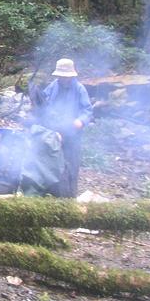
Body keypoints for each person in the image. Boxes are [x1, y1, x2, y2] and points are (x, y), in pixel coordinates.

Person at [33, 58, 93, 198]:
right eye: (61, 76)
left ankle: (69, 194)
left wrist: (80, 121)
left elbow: (87, 110)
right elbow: (44, 102)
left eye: (66, 77)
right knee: (54, 160)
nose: (63, 79)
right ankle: (53, 191)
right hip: (55, 130)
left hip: (72, 132)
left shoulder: (79, 89)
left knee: (71, 162)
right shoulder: (54, 85)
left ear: (72, 76)